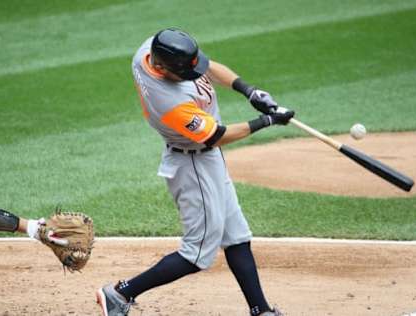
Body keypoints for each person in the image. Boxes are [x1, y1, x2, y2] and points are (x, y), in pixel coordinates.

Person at [96, 27, 294, 316]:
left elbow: (207, 66)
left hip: (208, 160)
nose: (194, 74)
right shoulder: (167, 100)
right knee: (196, 254)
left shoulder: (153, 50)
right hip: (193, 167)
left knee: (236, 235)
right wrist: (267, 120)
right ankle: (119, 294)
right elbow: (215, 136)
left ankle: (261, 310)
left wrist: (248, 90)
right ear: (162, 69)